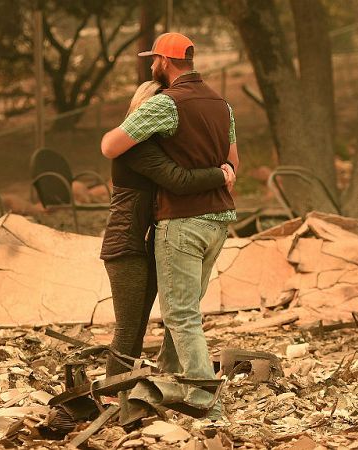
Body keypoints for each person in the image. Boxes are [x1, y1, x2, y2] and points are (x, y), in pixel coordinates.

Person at [101, 32, 238, 422]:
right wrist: (221, 172)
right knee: (182, 312)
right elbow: (233, 163)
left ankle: (204, 398)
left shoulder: (166, 105)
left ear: (165, 60)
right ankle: (169, 382)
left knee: (179, 315)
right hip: (217, 221)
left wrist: (136, 123)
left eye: (154, 59)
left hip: (183, 221)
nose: (151, 65)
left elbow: (111, 145)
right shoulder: (222, 104)